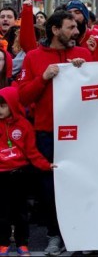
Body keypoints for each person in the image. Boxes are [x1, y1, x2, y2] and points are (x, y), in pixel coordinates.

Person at [17, 10, 91, 256]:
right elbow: (24, 96)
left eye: (76, 27)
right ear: (55, 30)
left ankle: (82, 233)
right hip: (47, 133)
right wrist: (44, 78)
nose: (77, 32)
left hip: (81, 133)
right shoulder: (34, 57)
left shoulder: (83, 54)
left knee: (82, 183)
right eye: (71, 27)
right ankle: (55, 235)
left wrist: (84, 72)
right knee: (50, 189)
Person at [0, 87, 55, 257]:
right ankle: (3, 243)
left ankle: (22, 243)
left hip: (20, 174)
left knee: (21, 212)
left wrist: (46, 165)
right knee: (2, 212)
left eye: (2, 106)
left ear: (12, 105)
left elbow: (32, 152)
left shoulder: (24, 125)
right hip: (1, 175)